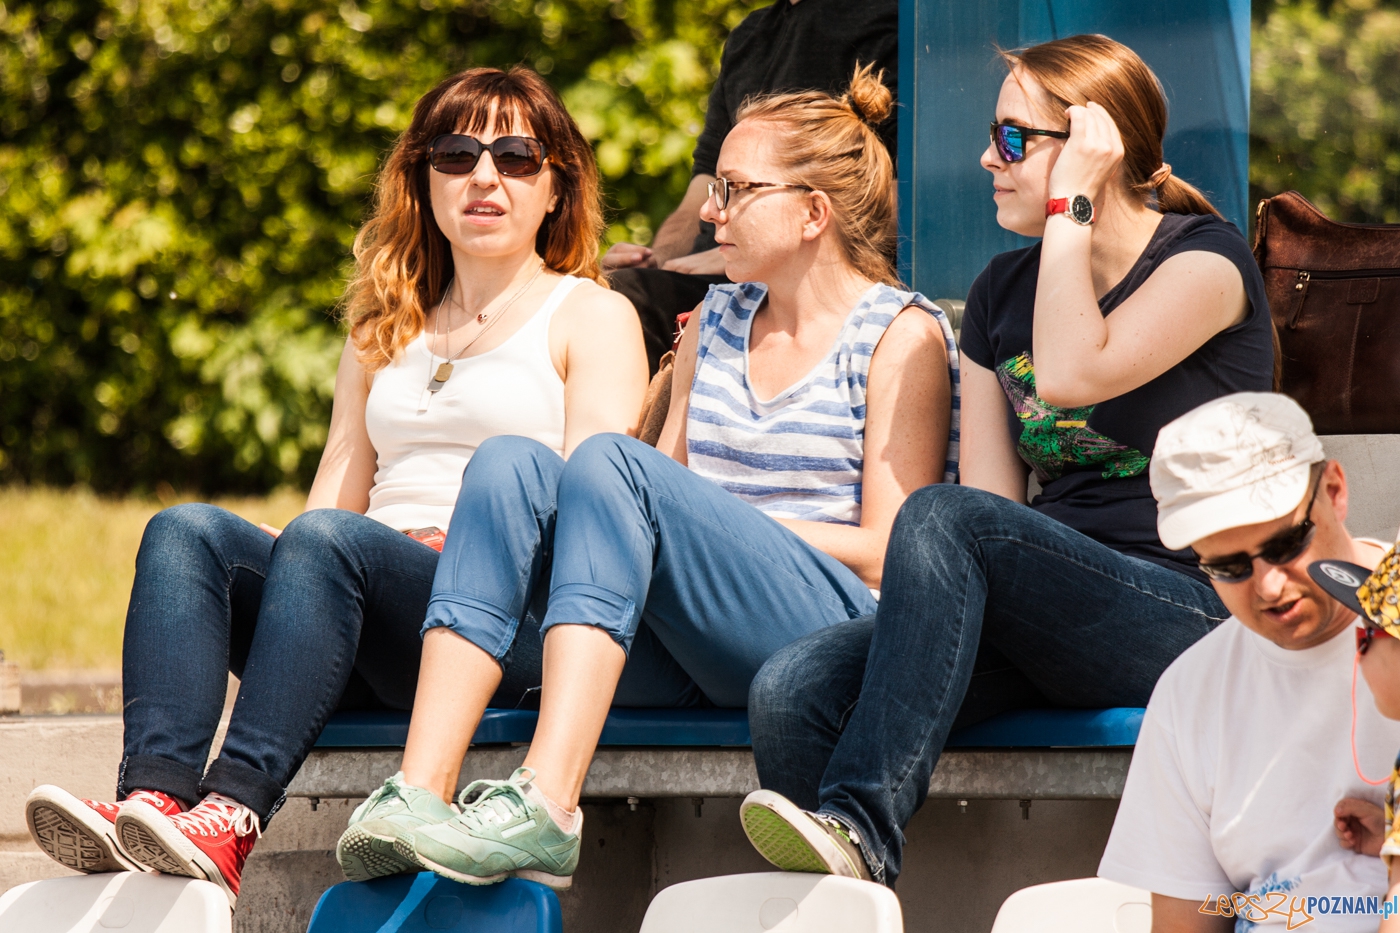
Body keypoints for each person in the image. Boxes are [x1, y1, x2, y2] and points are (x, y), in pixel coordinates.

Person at [22, 66, 648, 909]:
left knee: (331, 546)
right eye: (457, 154)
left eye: (517, 156)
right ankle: (155, 800)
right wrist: (303, 580)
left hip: (501, 625)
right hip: (369, 596)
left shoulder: (588, 314)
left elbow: (596, 514)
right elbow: (336, 491)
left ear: (557, 185)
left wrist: (383, 551)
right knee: (186, 531)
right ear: (422, 180)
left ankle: (234, 814)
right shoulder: (386, 322)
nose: (485, 177)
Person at [336, 65, 959, 892]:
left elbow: (895, 555)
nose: (709, 209)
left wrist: (720, 528)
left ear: (814, 212)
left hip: (829, 629)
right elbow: (650, 512)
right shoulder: (718, 323)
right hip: (694, 641)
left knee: (606, 462)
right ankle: (419, 791)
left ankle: (550, 801)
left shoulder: (901, 335)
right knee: (512, 462)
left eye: (735, 190)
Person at [739, 33, 1276, 887]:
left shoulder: (1205, 261)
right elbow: (994, 510)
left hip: (1193, 606)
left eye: (1017, 138)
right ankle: (844, 901)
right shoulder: (997, 294)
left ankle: (862, 824)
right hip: (1058, 612)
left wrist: (1072, 209)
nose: (988, 157)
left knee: (938, 510)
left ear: (1096, 146)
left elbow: (1070, 369)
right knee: (794, 687)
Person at [1095, 393, 1400, 932]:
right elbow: (1186, 919)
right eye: (1230, 566)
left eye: (1285, 545)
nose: (1270, 585)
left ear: (1334, 490)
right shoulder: (1191, 693)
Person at [602, 0, 898, 373]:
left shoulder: (891, 23)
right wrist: (659, 259)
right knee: (602, 293)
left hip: (801, 288)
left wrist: (746, 250)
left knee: (624, 301)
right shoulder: (749, 36)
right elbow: (702, 193)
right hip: (725, 274)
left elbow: (894, 198)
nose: (714, 211)